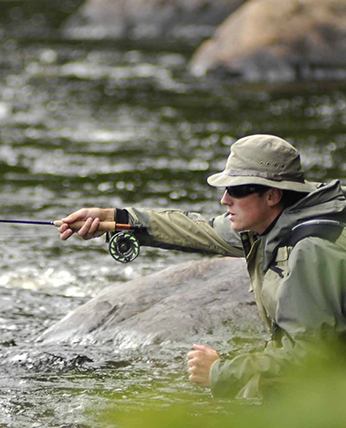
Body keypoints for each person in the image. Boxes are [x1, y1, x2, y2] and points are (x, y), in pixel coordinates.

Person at [57, 134, 346, 399]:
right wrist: (117, 218)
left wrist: (222, 372)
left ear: (273, 195)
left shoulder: (310, 250)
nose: (225, 199)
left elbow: (313, 355)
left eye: (236, 189)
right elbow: (200, 230)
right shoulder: (292, 215)